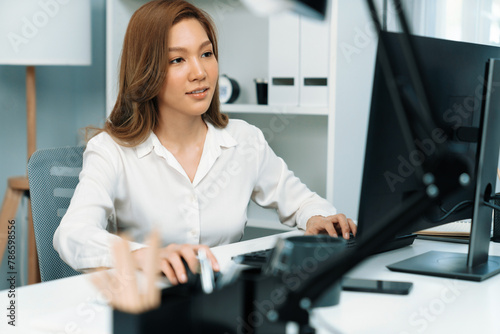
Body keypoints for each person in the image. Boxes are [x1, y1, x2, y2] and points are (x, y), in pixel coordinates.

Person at [53, 0, 357, 286]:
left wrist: (316, 218)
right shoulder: (111, 151)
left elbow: (302, 202)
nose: (199, 73)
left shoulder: (244, 140)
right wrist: (143, 255)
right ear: (146, 71)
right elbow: (72, 234)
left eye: (206, 54)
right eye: (177, 59)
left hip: (224, 304)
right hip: (147, 306)